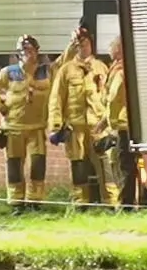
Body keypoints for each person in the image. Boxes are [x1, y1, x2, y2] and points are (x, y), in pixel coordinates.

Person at [0, 35, 50, 211]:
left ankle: (35, 201)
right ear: (19, 53)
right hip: (13, 128)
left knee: (38, 165)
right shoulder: (9, 72)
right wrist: (0, 106)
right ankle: (16, 203)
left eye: (32, 50)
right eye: (25, 51)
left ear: (37, 52)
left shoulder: (46, 71)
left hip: (37, 129)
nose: (29, 54)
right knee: (14, 166)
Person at [48, 27, 108, 211]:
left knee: (106, 165)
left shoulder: (101, 67)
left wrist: (109, 122)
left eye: (86, 43)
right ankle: (80, 202)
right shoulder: (66, 71)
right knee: (78, 164)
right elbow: (56, 99)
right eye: (79, 44)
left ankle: (112, 203)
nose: (84, 47)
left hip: (98, 126)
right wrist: (56, 126)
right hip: (75, 127)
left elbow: (109, 97)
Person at [98, 37, 131, 210]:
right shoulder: (119, 68)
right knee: (125, 164)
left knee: (122, 164)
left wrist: (108, 124)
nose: (109, 48)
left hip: (122, 125)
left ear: (119, 49)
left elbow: (114, 99)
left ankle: (125, 205)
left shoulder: (119, 71)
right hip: (125, 123)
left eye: (112, 45)